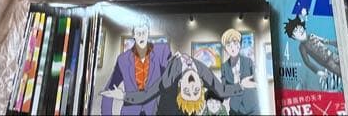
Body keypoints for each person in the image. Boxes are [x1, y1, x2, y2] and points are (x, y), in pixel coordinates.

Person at [103, 49, 255, 116]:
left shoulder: (168, 80)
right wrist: (241, 85)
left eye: (187, 91)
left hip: (170, 108)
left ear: (181, 85)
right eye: (195, 91)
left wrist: (123, 95)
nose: (192, 86)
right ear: (201, 84)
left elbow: (146, 95)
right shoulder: (202, 72)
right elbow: (221, 90)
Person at [100, 17, 172, 115]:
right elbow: (109, 90)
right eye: (138, 33)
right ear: (133, 35)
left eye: (144, 32)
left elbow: (169, 84)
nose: (141, 36)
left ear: (148, 32)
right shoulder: (123, 60)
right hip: (130, 112)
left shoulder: (161, 52)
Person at [284, 10, 341, 85]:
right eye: (296, 30)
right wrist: (318, 71)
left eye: (300, 27)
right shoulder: (302, 47)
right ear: (293, 37)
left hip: (332, 54)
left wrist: (334, 43)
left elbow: (324, 41)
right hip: (328, 63)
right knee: (341, 72)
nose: (300, 30)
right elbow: (307, 62)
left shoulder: (311, 35)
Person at [220, 30, 258, 115]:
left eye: (235, 43)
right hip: (235, 109)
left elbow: (258, 83)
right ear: (225, 49)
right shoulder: (224, 67)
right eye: (228, 45)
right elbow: (224, 93)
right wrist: (239, 85)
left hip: (252, 107)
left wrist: (249, 84)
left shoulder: (248, 61)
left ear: (240, 45)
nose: (232, 48)